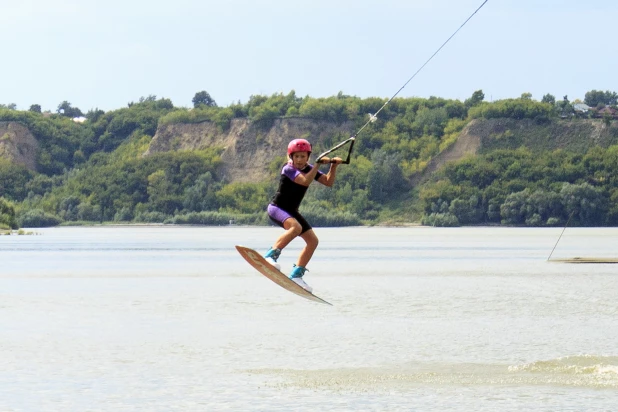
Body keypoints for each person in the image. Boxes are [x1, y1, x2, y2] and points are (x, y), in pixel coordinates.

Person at [263, 138, 342, 293]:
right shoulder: (288, 169)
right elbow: (305, 181)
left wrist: (333, 166)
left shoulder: (309, 168)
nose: (299, 160)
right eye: (296, 156)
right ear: (291, 157)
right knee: (295, 227)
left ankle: (297, 274)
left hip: (292, 211)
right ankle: (271, 256)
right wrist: (319, 164)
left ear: (308, 157)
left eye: (303, 156)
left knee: (313, 241)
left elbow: (328, 182)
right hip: (277, 208)